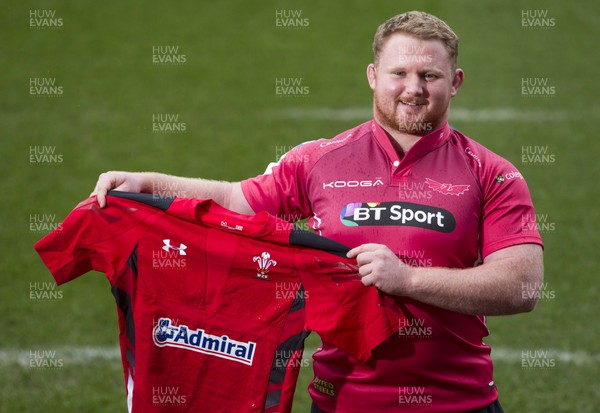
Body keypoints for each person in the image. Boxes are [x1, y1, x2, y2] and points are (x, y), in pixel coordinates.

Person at [92, 11, 543, 413]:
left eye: (429, 75)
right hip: (340, 402)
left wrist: (408, 280)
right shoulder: (319, 160)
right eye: (399, 72)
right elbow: (233, 199)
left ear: (456, 81)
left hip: (459, 403)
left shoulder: (492, 174)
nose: (413, 88)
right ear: (372, 75)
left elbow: (522, 285)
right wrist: (149, 185)